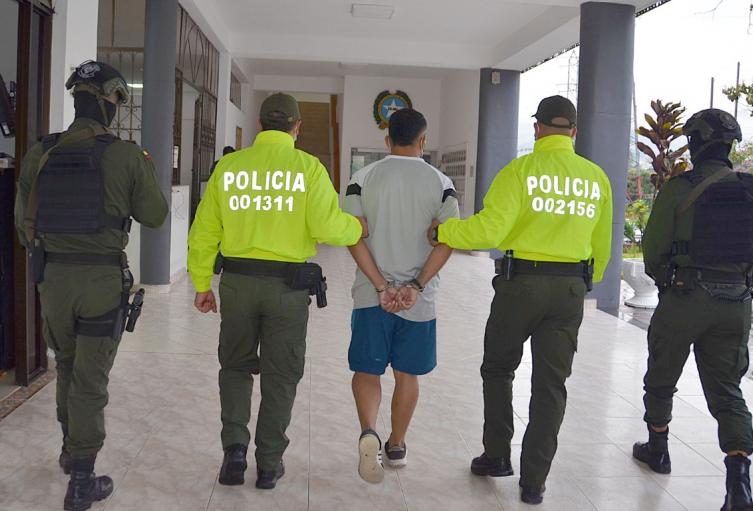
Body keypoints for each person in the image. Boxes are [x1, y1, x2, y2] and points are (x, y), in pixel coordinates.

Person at [430, 95, 613, 505]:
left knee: (499, 368)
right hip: (569, 288)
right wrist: (587, 282)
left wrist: (445, 232)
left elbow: (489, 231)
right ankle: (534, 482)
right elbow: (602, 241)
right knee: (551, 385)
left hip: (521, 286)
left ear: (537, 128)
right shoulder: (596, 178)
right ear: (574, 131)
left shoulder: (520, 171)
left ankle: (497, 456)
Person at [187, 92, 364, 490]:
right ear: (296, 127)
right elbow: (328, 227)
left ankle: (234, 452)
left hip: (237, 284)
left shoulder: (229, 167)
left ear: (260, 124)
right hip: (287, 289)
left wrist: (201, 283)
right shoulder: (308, 168)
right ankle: (268, 463)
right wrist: (356, 227)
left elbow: (204, 231)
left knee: (235, 367)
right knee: (281, 375)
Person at [14, 60, 168, 511]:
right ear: (110, 102)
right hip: (100, 280)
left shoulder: (40, 151)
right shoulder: (125, 155)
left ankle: (69, 449)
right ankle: (82, 479)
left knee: (65, 364)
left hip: (52, 280)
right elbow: (155, 215)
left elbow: (23, 225)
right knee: (90, 378)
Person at [634, 108, 753, 511]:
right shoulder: (749, 189)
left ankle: (658, 449)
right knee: (728, 390)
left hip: (686, 297)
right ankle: (739, 483)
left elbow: (653, 247)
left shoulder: (680, 187)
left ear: (697, 143)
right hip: (736, 303)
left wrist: (667, 280)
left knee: (662, 375)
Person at [344, 108, 459, 483]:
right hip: (417, 300)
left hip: (371, 295)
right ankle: (396, 444)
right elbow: (448, 240)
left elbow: (353, 236)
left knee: (367, 370)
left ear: (387, 140)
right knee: (407, 374)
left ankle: (369, 431)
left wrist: (381, 285)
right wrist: (416, 286)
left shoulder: (361, 179)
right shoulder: (441, 183)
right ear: (423, 141)